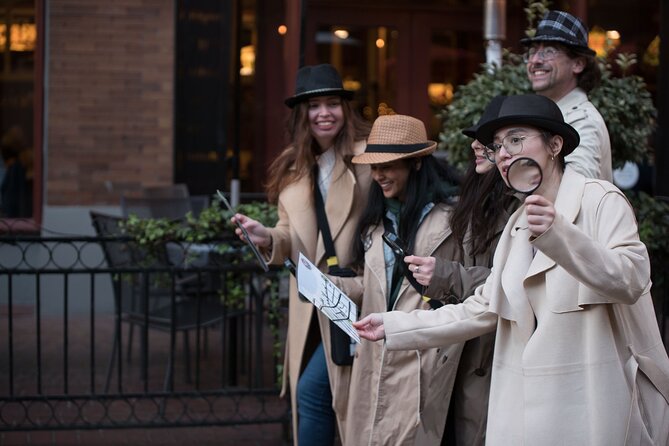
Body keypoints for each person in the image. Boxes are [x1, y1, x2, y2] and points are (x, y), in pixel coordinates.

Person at [354, 94, 669, 445]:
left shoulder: (601, 200)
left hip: (591, 406)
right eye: (497, 145)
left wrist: (559, 234)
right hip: (523, 413)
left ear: (555, 145)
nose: (503, 154)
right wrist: (393, 324)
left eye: (516, 140)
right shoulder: (516, 225)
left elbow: (631, 279)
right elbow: (482, 308)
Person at [230, 64, 371, 446]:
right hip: (313, 301)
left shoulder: (367, 159)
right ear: (302, 115)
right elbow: (293, 234)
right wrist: (266, 237)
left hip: (357, 297)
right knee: (318, 398)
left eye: (332, 103)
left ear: (345, 109)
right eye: (314, 106)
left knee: (317, 393)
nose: (324, 113)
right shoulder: (294, 166)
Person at [328, 113, 489, 445]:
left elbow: (477, 287)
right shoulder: (376, 222)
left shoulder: (453, 221)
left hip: (421, 354)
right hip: (374, 351)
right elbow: (373, 287)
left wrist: (442, 276)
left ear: (416, 164)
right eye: (374, 167)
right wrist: (332, 286)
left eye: (388, 165)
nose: (378, 175)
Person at [441, 95, 519, 446]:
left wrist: (447, 275)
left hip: (496, 342)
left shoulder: (518, 203)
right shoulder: (474, 196)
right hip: (469, 337)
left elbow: (514, 281)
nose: (475, 146)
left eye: (485, 141)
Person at [523, 10, 612, 181]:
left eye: (549, 51)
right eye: (532, 51)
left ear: (578, 64)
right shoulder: (548, 114)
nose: (535, 61)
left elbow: (573, 189)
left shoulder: (583, 121)